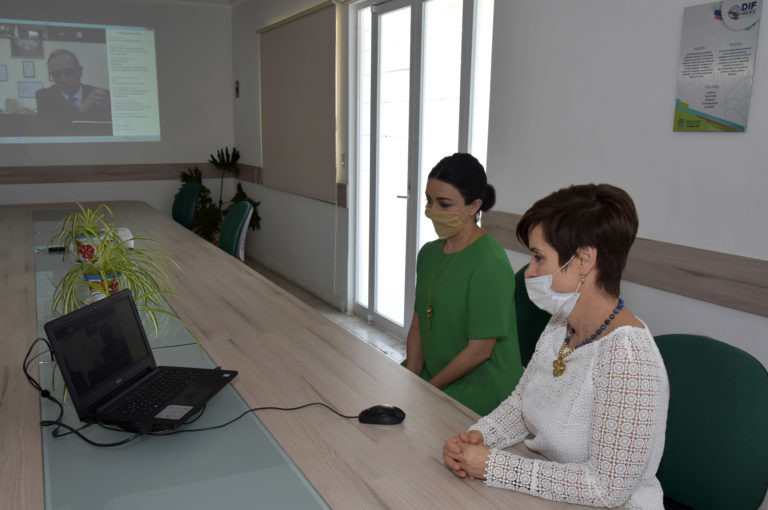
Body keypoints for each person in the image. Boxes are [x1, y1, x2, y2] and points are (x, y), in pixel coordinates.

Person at [443, 184, 669, 510]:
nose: (530, 271)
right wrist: (476, 438)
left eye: (538, 257)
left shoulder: (628, 358)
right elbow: (523, 404)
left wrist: (494, 466)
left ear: (584, 260)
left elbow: (607, 490)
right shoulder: (561, 323)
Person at [406, 153, 523, 416]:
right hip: (434, 373)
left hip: (481, 383)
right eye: (429, 200)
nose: (432, 211)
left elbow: (480, 351)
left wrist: (427, 390)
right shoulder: (428, 254)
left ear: (474, 206)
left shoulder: (489, 262)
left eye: (444, 204)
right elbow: (418, 322)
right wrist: (412, 380)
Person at [35, 49, 111, 122]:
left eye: (69, 72)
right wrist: (80, 109)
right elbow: (49, 129)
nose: (63, 79)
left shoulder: (100, 96)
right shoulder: (44, 96)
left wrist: (108, 109)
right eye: (56, 74)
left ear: (80, 71)